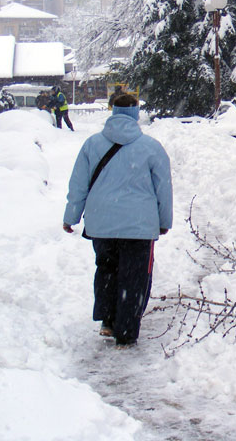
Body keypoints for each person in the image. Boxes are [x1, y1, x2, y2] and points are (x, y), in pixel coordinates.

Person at [62, 93, 173, 348]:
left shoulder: (92, 145)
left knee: (107, 269)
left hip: (101, 223)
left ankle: (108, 320)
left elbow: (78, 185)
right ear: (135, 112)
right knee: (134, 277)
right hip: (139, 227)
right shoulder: (151, 148)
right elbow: (163, 188)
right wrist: (164, 221)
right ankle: (126, 330)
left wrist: (71, 216)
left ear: (112, 111)